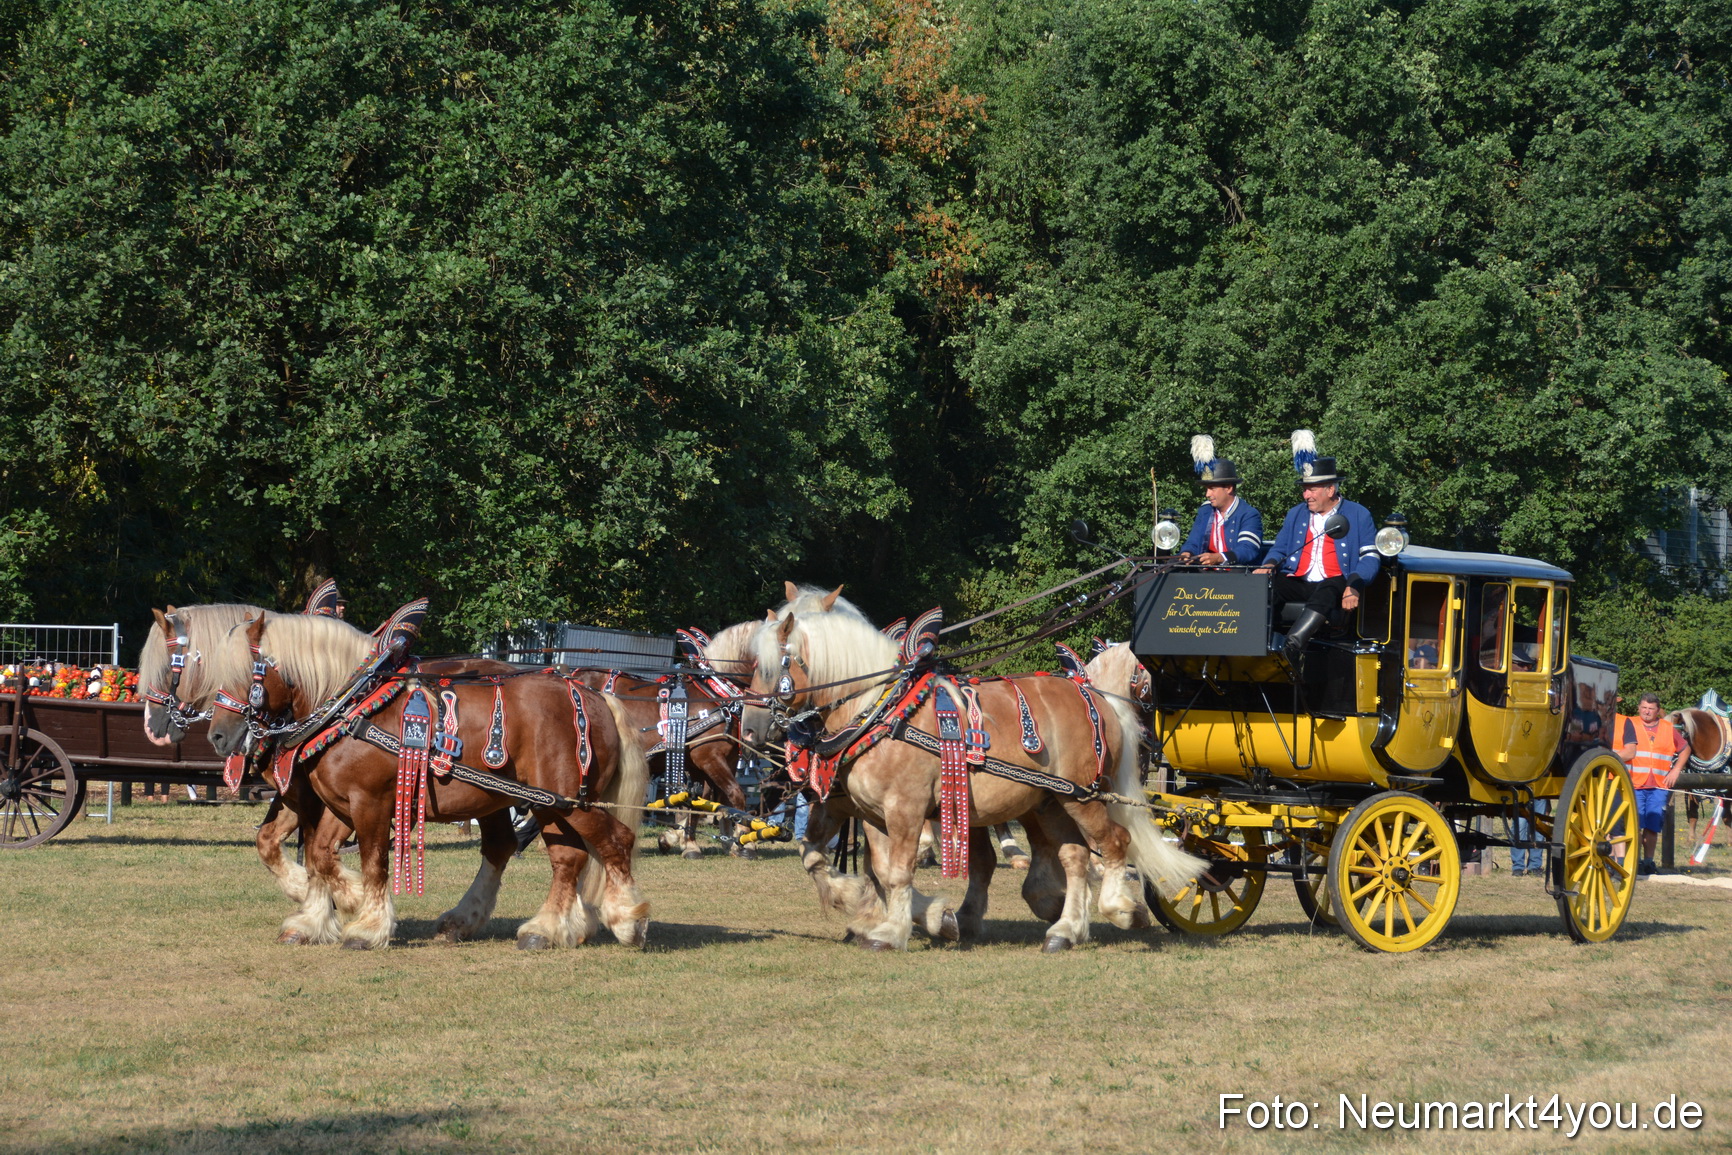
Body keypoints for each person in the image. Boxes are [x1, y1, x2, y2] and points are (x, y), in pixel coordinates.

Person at [1255, 431, 1381, 664]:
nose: (1306, 495)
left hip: (1336, 581)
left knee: (1329, 588)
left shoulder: (1358, 514)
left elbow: (1370, 558)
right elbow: (1280, 549)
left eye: (1312, 489)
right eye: (1304, 489)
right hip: (1300, 579)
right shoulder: (1296, 514)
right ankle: (1255, 642)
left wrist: (1353, 585)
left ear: (1330, 490)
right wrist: (1268, 566)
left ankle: (1292, 646)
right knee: (1267, 586)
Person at [1616, 692, 1689, 876]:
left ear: (1658, 711)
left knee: (1653, 825)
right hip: (1634, 784)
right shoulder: (1629, 723)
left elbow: (1685, 749)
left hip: (1658, 785)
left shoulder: (1667, 727)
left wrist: (1676, 770)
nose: (1647, 712)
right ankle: (1631, 861)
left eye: (1651, 709)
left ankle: (1648, 862)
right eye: (1644, 708)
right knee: (1634, 824)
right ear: (1638, 708)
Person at [1177, 436, 1263, 566]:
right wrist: (1187, 553)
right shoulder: (1205, 510)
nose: (1207, 494)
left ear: (1228, 488)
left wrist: (1219, 558)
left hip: (1236, 578)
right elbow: (1193, 542)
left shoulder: (1249, 514)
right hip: (1205, 577)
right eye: (1206, 489)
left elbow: (1248, 549)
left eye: (1212, 488)